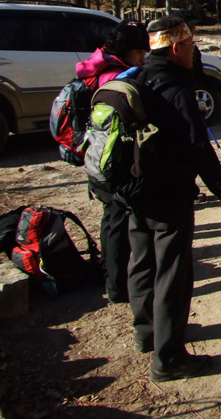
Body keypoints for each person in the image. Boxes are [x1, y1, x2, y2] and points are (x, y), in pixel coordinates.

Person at [130, 16, 221, 381]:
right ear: (174, 47)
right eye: (190, 46)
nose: (194, 52)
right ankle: (168, 358)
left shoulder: (138, 77)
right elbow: (198, 148)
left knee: (142, 261)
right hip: (168, 193)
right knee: (172, 272)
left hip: (136, 190)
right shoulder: (176, 90)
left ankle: (147, 332)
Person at [76, 20, 150, 303]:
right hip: (113, 160)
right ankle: (117, 285)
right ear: (127, 50)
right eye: (139, 51)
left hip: (96, 156)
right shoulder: (117, 76)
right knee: (119, 223)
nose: (143, 56)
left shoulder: (96, 66)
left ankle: (109, 274)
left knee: (111, 220)